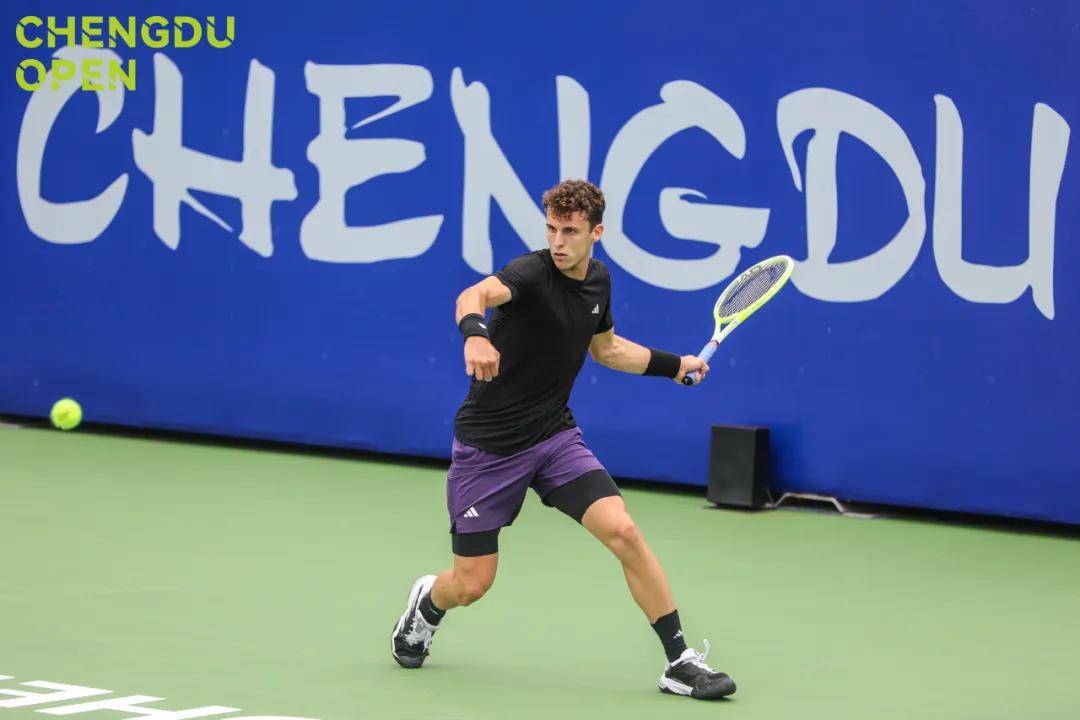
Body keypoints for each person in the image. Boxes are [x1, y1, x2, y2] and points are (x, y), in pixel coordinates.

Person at [390, 180, 736, 700]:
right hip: (490, 447)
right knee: (472, 583)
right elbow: (472, 295)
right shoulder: (529, 274)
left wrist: (674, 366)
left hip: (554, 437)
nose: (557, 241)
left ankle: (679, 662)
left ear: (597, 232)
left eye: (570, 231)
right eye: (551, 229)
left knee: (624, 532)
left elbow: (607, 349)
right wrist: (476, 334)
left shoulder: (598, 281)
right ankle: (428, 604)